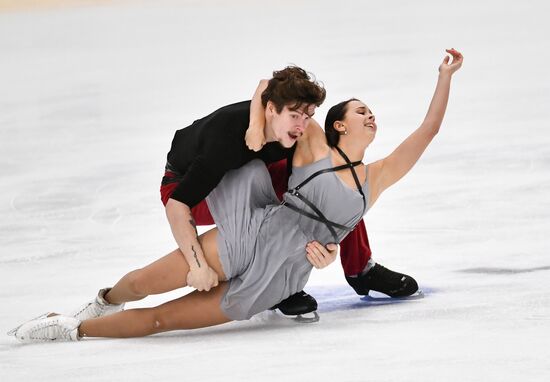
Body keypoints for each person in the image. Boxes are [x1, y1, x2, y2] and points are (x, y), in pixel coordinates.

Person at [9, 49, 463, 342]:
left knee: (162, 321)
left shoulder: (378, 177)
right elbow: (273, 86)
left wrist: (444, 77)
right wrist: (251, 121)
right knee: (149, 282)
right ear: (339, 123)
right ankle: (97, 305)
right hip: (249, 231)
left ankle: (78, 331)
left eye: (374, 113)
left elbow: (428, 130)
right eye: (362, 110)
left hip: (282, 277)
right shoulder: (311, 143)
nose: (373, 116)